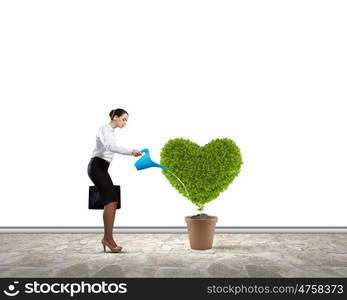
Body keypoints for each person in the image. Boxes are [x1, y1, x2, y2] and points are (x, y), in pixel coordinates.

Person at [87, 108, 141, 253]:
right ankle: (108, 239)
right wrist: (131, 151)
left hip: (101, 168)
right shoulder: (103, 129)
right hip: (96, 167)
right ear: (115, 117)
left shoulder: (110, 132)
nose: (125, 123)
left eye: (126, 120)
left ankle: (107, 238)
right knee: (111, 201)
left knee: (112, 200)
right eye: (123, 119)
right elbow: (110, 147)